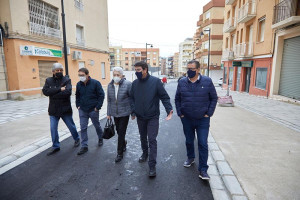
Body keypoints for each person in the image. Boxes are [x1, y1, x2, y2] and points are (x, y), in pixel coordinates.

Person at [175, 60, 218, 180]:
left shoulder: (207, 81)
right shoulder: (182, 82)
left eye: (192, 69)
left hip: (202, 119)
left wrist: (208, 113)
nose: (189, 71)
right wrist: (180, 113)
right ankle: (190, 157)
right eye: (188, 68)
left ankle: (203, 169)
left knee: (202, 143)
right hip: (187, 118)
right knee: (189, 141)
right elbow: (177, 98)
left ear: (198, 70)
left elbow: (214, 98)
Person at [131, 61, 173, 177]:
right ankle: (145, 153)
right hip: (140, 116)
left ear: (145, 70)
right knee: (143, 137)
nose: (136, 72)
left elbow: (164, 97)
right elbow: (132, 98)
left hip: (153, 116)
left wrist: (169, 110)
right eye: (135, 70)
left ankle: (152, 165)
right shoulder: (134, 84)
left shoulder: (155, 82)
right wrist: (133, 111)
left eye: (138, 70)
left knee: (152, 139)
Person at [42, 63, 80, 156]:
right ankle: (55, 146)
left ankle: (77, 138)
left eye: (61, 70)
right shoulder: (48, 80)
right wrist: (59, 89)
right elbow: (45, 92)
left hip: (65, 109)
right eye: (57, 70)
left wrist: (53, 92)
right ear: (53, 71)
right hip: (53, 110)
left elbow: (67, 92)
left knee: (71, 126)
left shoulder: (67, 80)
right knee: (53, 128)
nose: (59, 72)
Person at [76, 68, 105, 155]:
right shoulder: (78, 84)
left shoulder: (95, 83)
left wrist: (97, 107)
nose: (81, 77)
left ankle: (100, 137)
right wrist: (78, 105)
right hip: (83, 110)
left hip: (93, 110)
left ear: (87, 75)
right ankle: (84, 146)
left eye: (82, 75)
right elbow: (77, 95)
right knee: (83, 127)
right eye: (79, 75)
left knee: (97, 125)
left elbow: (101, 95)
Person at [107, 67, 134, 162]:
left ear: (122, 76)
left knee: (121, 132)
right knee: (118, 131)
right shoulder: (110, 85)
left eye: (118, 75)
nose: (116, 77)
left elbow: (132, 99)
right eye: (114, 75)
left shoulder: (128, 84)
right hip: (115, 113)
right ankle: (124, 143)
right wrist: (108, 113)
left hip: (124, 113)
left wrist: (133, 112)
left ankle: (119, 153)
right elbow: (109, 101)